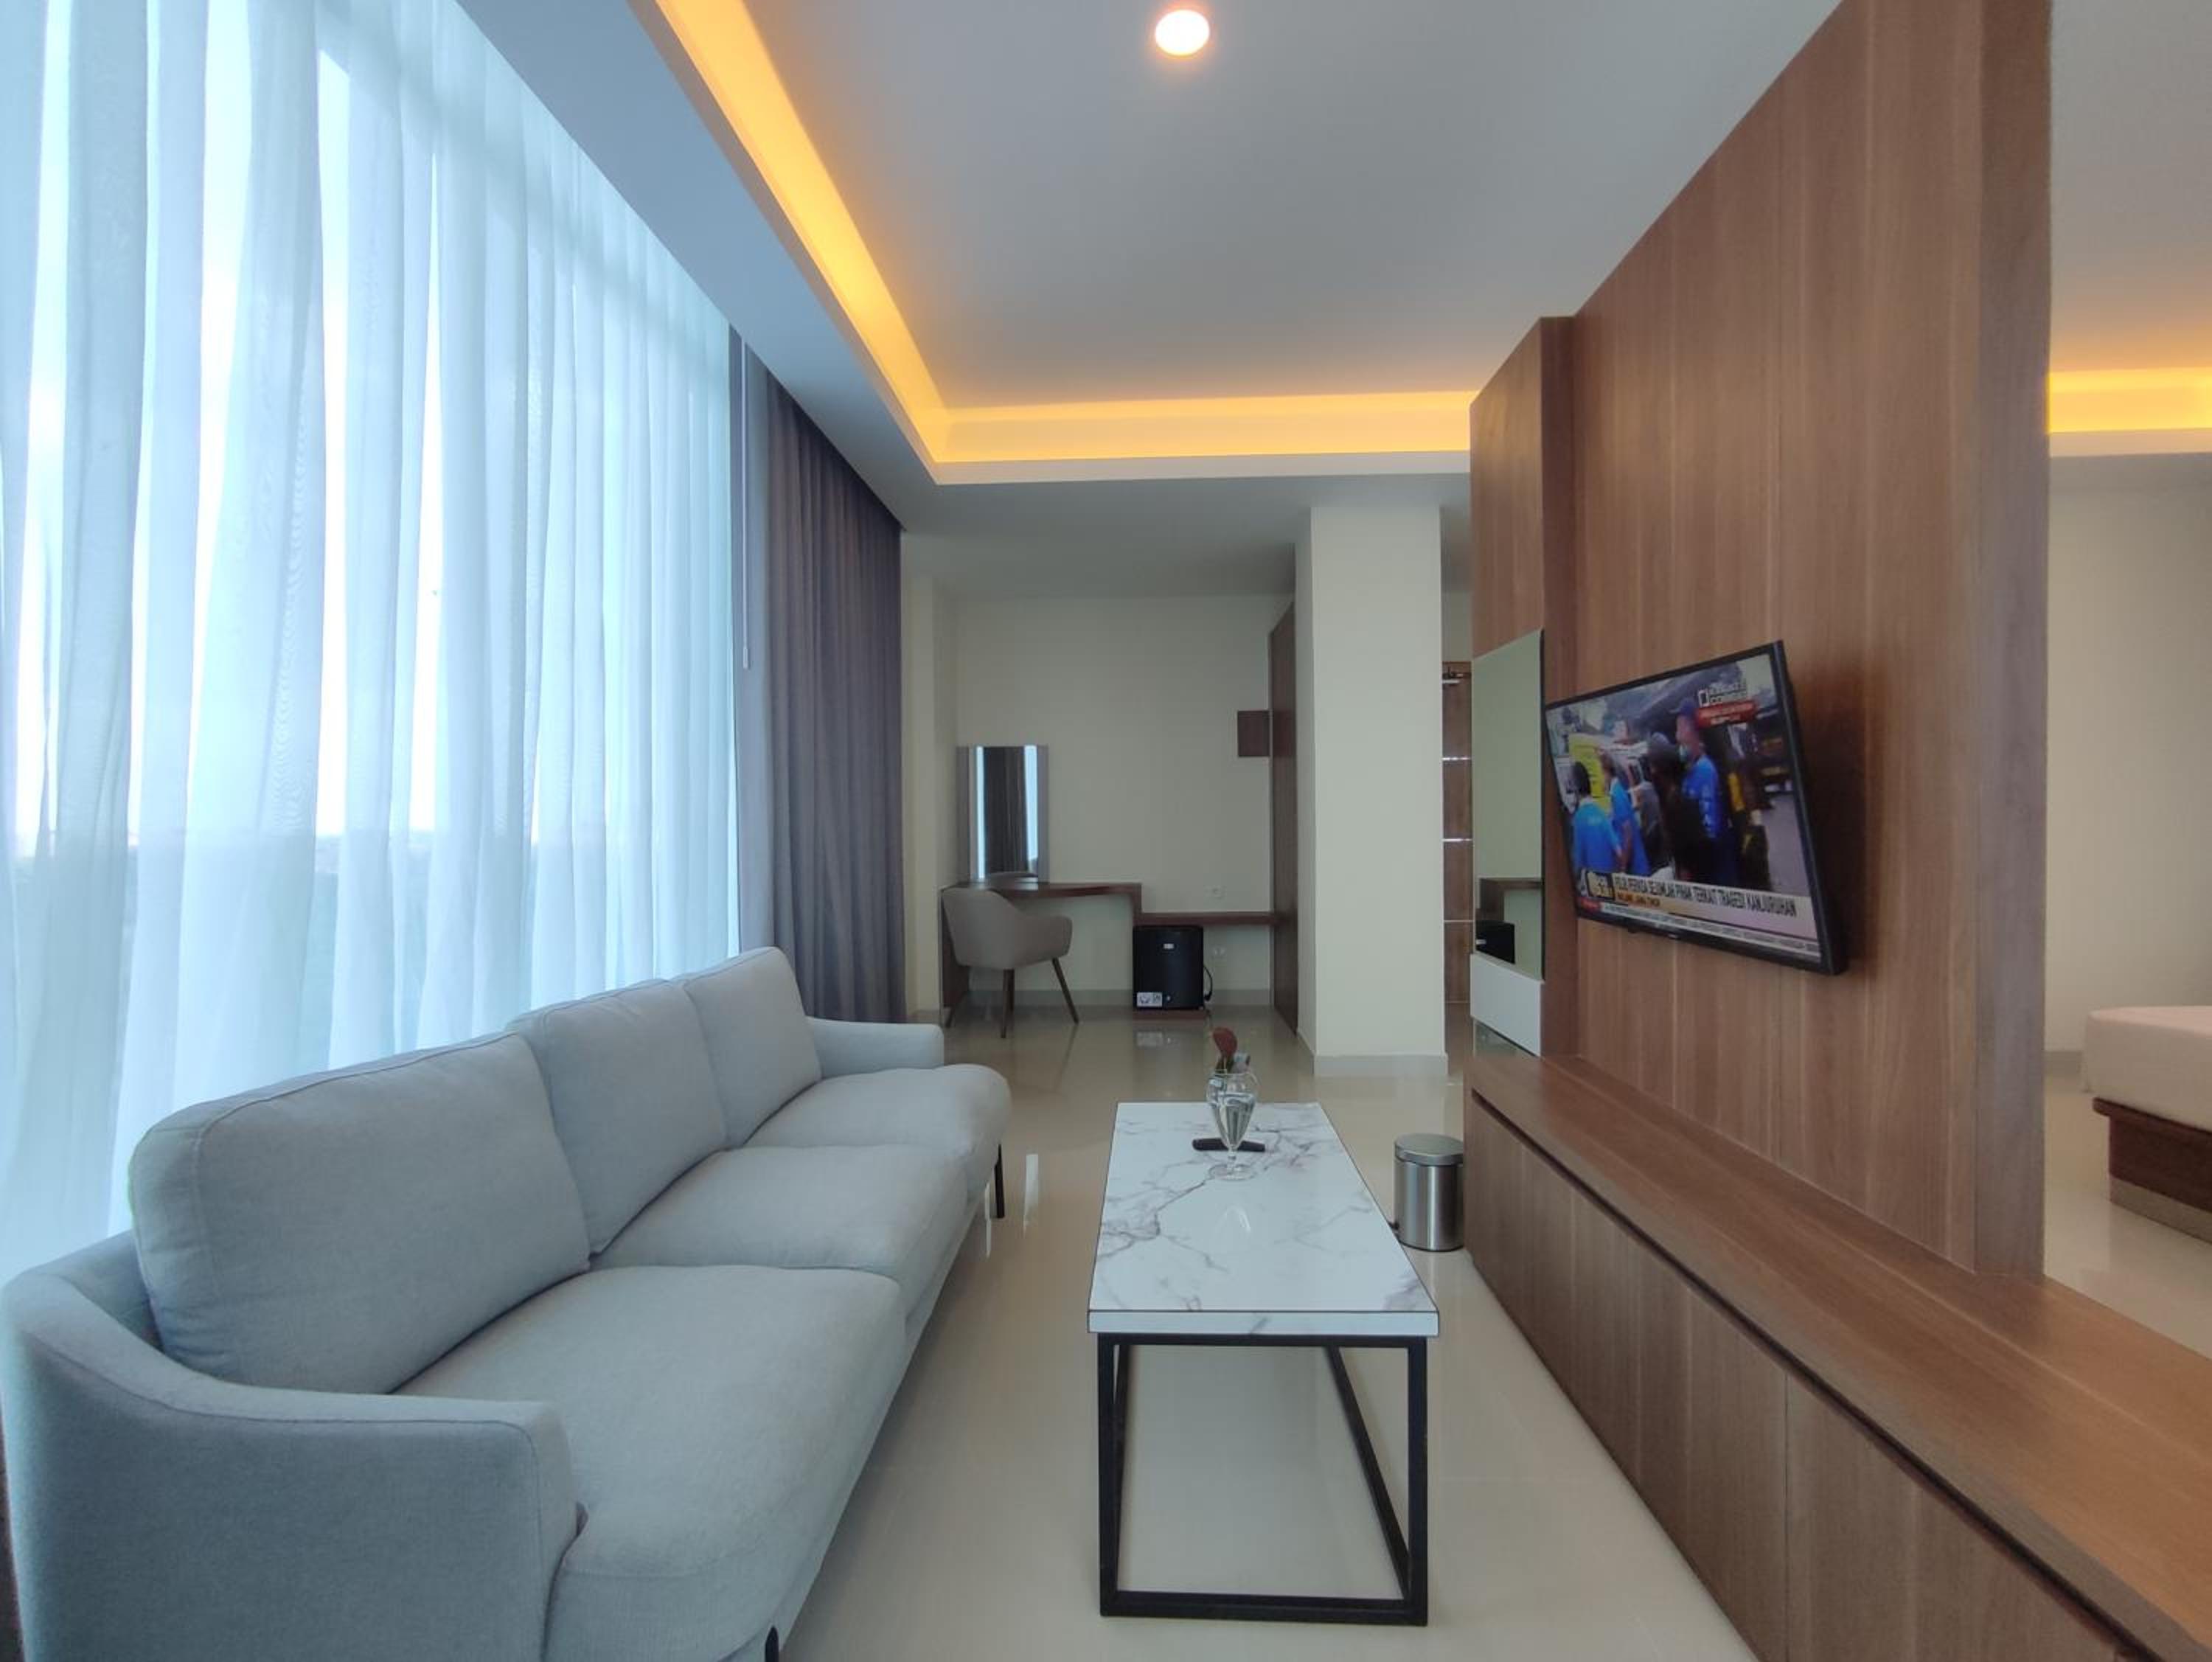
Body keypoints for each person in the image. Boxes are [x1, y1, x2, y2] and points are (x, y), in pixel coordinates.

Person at [1675, 705, 1741, 886]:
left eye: (1680, 728)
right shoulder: (1691, 771)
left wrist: (1692, 866)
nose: (1677, 737)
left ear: (1693, 731)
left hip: (1714, 868)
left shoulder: (1704, 770)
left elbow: (1709, 829)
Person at [1565, 762, 1619, 885]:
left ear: (1575, 788)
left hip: (1592, 885)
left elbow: (1578, 861)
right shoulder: (1602, 813)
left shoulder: (1578, 819)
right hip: (1609, 882)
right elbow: (1617, 849)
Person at [1601, 753, 1651, 877]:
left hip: (1635, 868)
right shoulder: (1617, 792)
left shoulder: (1617, 795)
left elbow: (1628, 833)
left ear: (1607, 772)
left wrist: (1623, 867)